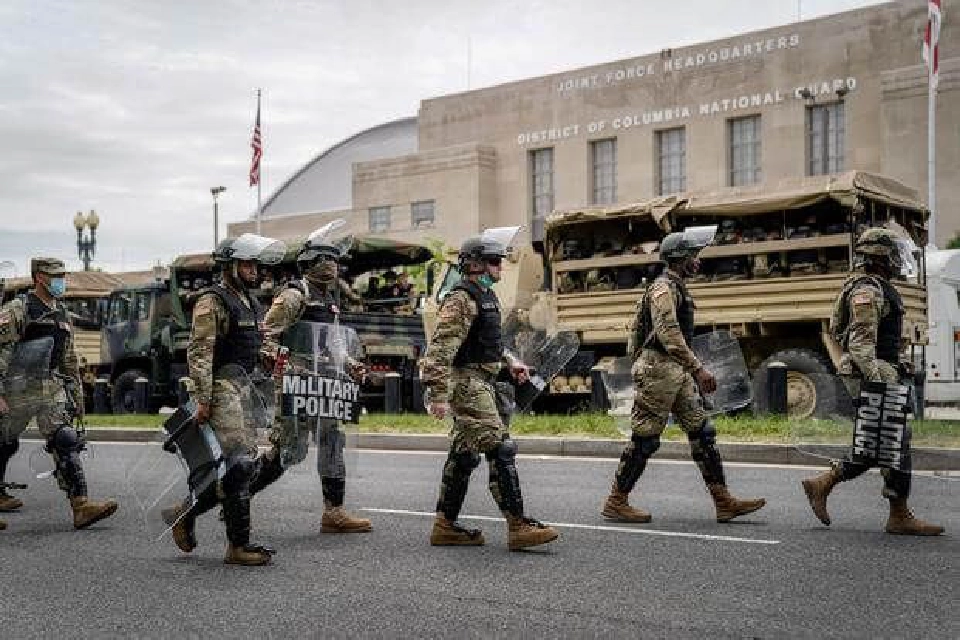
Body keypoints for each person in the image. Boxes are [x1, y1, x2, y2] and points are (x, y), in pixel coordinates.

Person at [601, 228, 766, 524]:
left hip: (674, 370)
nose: (698, 261)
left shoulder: (676, 286)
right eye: (693, 256)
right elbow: (669, 335)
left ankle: (723, 501)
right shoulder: (663, 288)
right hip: (658, 370)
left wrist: (690, 369)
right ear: (679, 259)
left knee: (703, 433)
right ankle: (616, 501)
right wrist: (698, 369)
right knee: (646, 439)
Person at [421, 229, 559, 551]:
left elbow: (488, 343)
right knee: (500, 448)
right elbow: (440, 350)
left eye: (500, 261)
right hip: (467, 384)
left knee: (464, 454)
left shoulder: (486, 297)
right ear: (475, 265)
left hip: (484, 381)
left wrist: (511, 361)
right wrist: (438, 394)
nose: (500, 267)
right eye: (494, 262)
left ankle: (445, 525)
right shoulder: (461, 298)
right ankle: (518, 526)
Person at [801, 227, 943, 535]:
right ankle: (898, 513)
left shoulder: (874, 287)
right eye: (892, 255)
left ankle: (824, 485)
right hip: (874, 378)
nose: (896, 261)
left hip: (879, 373)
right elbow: (861, 346)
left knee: (880, 445)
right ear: (880, 258)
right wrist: (880, 386)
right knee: (893, 442)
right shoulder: (869, 291)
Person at [163, 234, 285, 566]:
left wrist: (270, 359)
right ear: (230, 266)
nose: (253, 270)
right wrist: (203, 398)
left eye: (255, 264)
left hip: (246, 390)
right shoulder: (212, 300)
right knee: (241, 464)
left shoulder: (250, 301)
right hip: (220, 390)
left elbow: (253, 347)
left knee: (240, 468)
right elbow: (200, 351)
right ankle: (239, 545)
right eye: (246, 264)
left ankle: (185, 512)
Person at [254, 225, 371, 534]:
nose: (331, 264)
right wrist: (288, 364)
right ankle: (239, 497)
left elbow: (333, 343)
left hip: (326, 383)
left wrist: (350, 364)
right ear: (307, 263)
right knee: (288, 452)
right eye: (323, 258)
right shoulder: (294, 295)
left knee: (333, 439)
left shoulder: (330, 299)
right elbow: (266, 338)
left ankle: (334, 512)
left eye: (334, 259)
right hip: (296, 383)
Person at [0, 257, 118, 530]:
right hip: (15, 388)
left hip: (48, 387)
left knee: (65, 437)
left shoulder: (60, 313)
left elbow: (68, 360)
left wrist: (77, 397)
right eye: (55, 275)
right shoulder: (18, 310)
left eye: (63, 275)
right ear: (39, 277)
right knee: (4, 443)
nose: (61, 280)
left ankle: (81, 505)